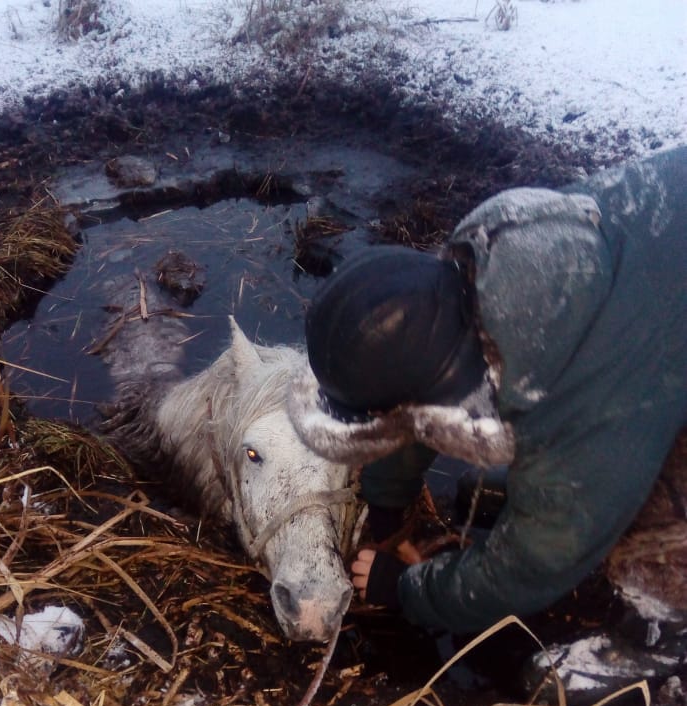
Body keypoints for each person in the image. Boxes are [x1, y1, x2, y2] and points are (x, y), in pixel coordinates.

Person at [288, 146, 687, 635]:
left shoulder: (585, 407)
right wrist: (389, 503)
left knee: (622, 519)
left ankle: (660, 632)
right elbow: (416, 392)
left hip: (651, 350)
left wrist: (408, 588)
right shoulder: (492, 263)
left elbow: (532, 567)